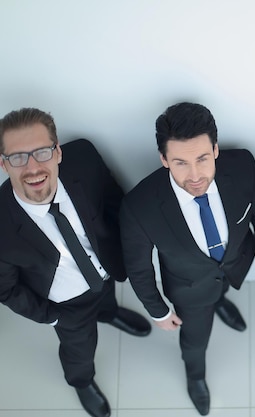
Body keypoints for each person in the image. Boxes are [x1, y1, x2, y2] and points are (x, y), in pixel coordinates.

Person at [119, 102, 255, 415]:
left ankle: (220, 301)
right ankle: (195, 378)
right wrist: (160, 312)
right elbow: (139, 270)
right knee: (194, 342)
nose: (195, 175)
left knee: (221, 287)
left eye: (202, 158)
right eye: (180, 162)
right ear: (164, 159)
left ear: (216, 150)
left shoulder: (243, 165)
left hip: (235, 264)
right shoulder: (139, 207)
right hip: (188, 290)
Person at [0, 108, 151, 417]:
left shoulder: (83, 157)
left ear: (57, 152)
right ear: (3, 165)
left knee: (106, 298)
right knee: (79, 351)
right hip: (64, 305)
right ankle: (82, 382)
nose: (32, 167)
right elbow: (6, 289)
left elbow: (114, 201)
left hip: (104, 270)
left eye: (42, 152)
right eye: (17, 157)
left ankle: (109, 313)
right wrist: (50, 317)